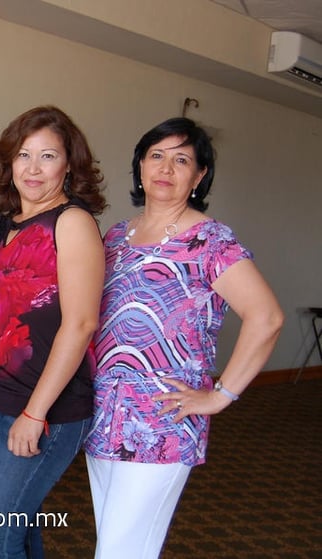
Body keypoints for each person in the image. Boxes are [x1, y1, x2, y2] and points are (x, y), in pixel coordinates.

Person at [84, 117, 284, 558]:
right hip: (104, 412)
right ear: (139, 165)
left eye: (181, 160)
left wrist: (220, 395)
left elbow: (266, 316)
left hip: (163, 420)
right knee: (117, 543)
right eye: (156, 155)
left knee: (122, 552)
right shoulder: (117, 236)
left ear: (199, 176)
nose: (166, 168)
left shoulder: (211, 241)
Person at [0, 106, 106, 558]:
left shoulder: (71, 223)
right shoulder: (7, 225)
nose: (33, 168)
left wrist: (35, 413)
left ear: (69, 165)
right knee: (19, 530)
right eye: (23, 155)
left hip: (45, 409)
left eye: (47, 156)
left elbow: (82, 322)